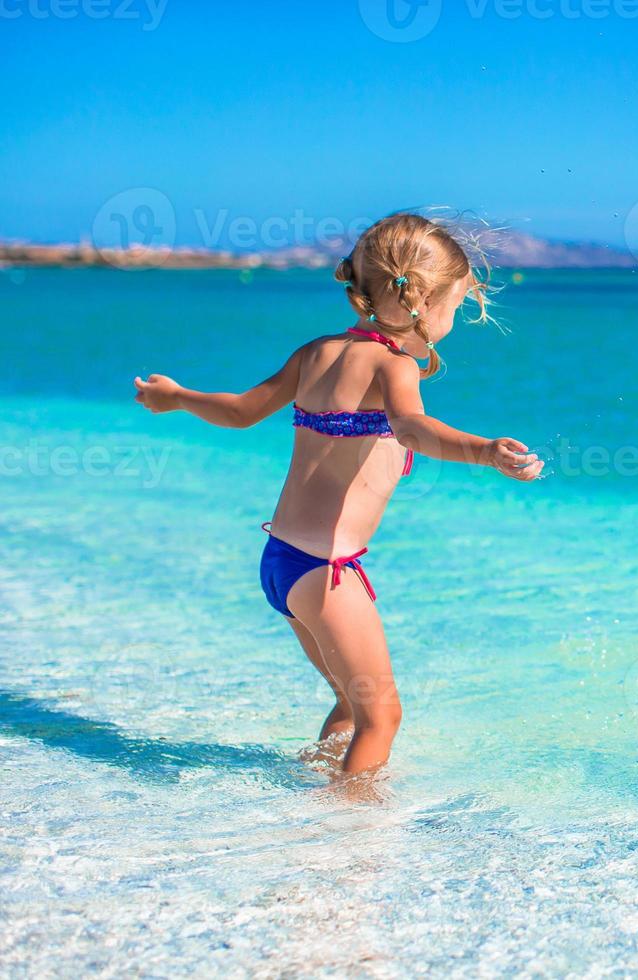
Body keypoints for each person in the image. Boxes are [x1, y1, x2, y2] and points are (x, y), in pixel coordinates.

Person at [133, 212, 542, 776]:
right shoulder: (393, 364)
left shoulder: (315, 353)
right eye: (455, 304)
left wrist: (178, 397)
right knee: (382, 718)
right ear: (423, 302)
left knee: (353, 705)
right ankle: (352, 840)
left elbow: (239, 411)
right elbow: (413, 430)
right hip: (325, 572)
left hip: (282, 563)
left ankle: (316, 802)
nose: (455, 316)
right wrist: (485, 451)